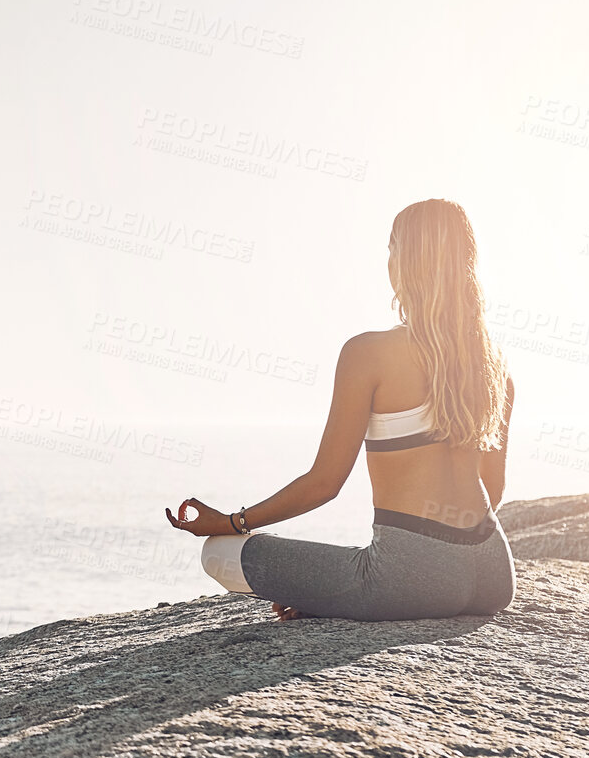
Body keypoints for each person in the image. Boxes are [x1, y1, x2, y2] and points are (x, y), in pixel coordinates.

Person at [165, 198, 516, 622]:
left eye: (392, 249)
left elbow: (324, 484)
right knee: (357, 566)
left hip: (411, 580)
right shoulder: (493, 366)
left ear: (405, 263)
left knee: (217, 554)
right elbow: (491, 492)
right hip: (494, 575)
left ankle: (342, 590)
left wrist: (233, 522)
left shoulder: (367, 354)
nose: (388, 262)